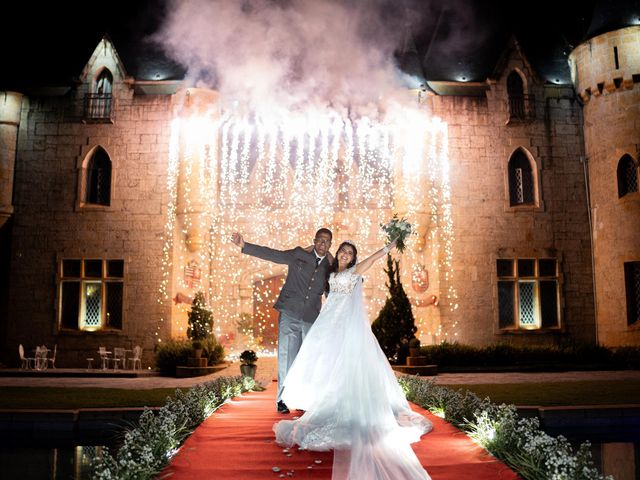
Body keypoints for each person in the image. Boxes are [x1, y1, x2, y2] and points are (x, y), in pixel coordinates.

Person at [273, 239, 432, 480]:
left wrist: (390, 246)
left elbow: (374, 258)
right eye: (343, 251)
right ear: (337, 253)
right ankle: (325, 403)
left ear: (353, 258)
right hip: (327, 322)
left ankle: (346, 409)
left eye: (350, 253)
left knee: (345, 365)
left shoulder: (353, 272)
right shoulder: (329, 269)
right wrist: (307, 248)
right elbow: (313, 254)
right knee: (324, 365)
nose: (346, 254)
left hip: (345, 325)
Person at [231, 228, 333, 414]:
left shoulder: (329, 267)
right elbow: (273, 254)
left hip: (311, 318)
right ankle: (282, 399)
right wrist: (245, 245)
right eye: (320, 240)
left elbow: (331, 293)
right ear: (314, 240)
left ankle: (302, 398)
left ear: (330, 245)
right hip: (289, 312)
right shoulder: (298, 254)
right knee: (287, 357)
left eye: (327, 241)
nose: (322, 244)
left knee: (307, 360)